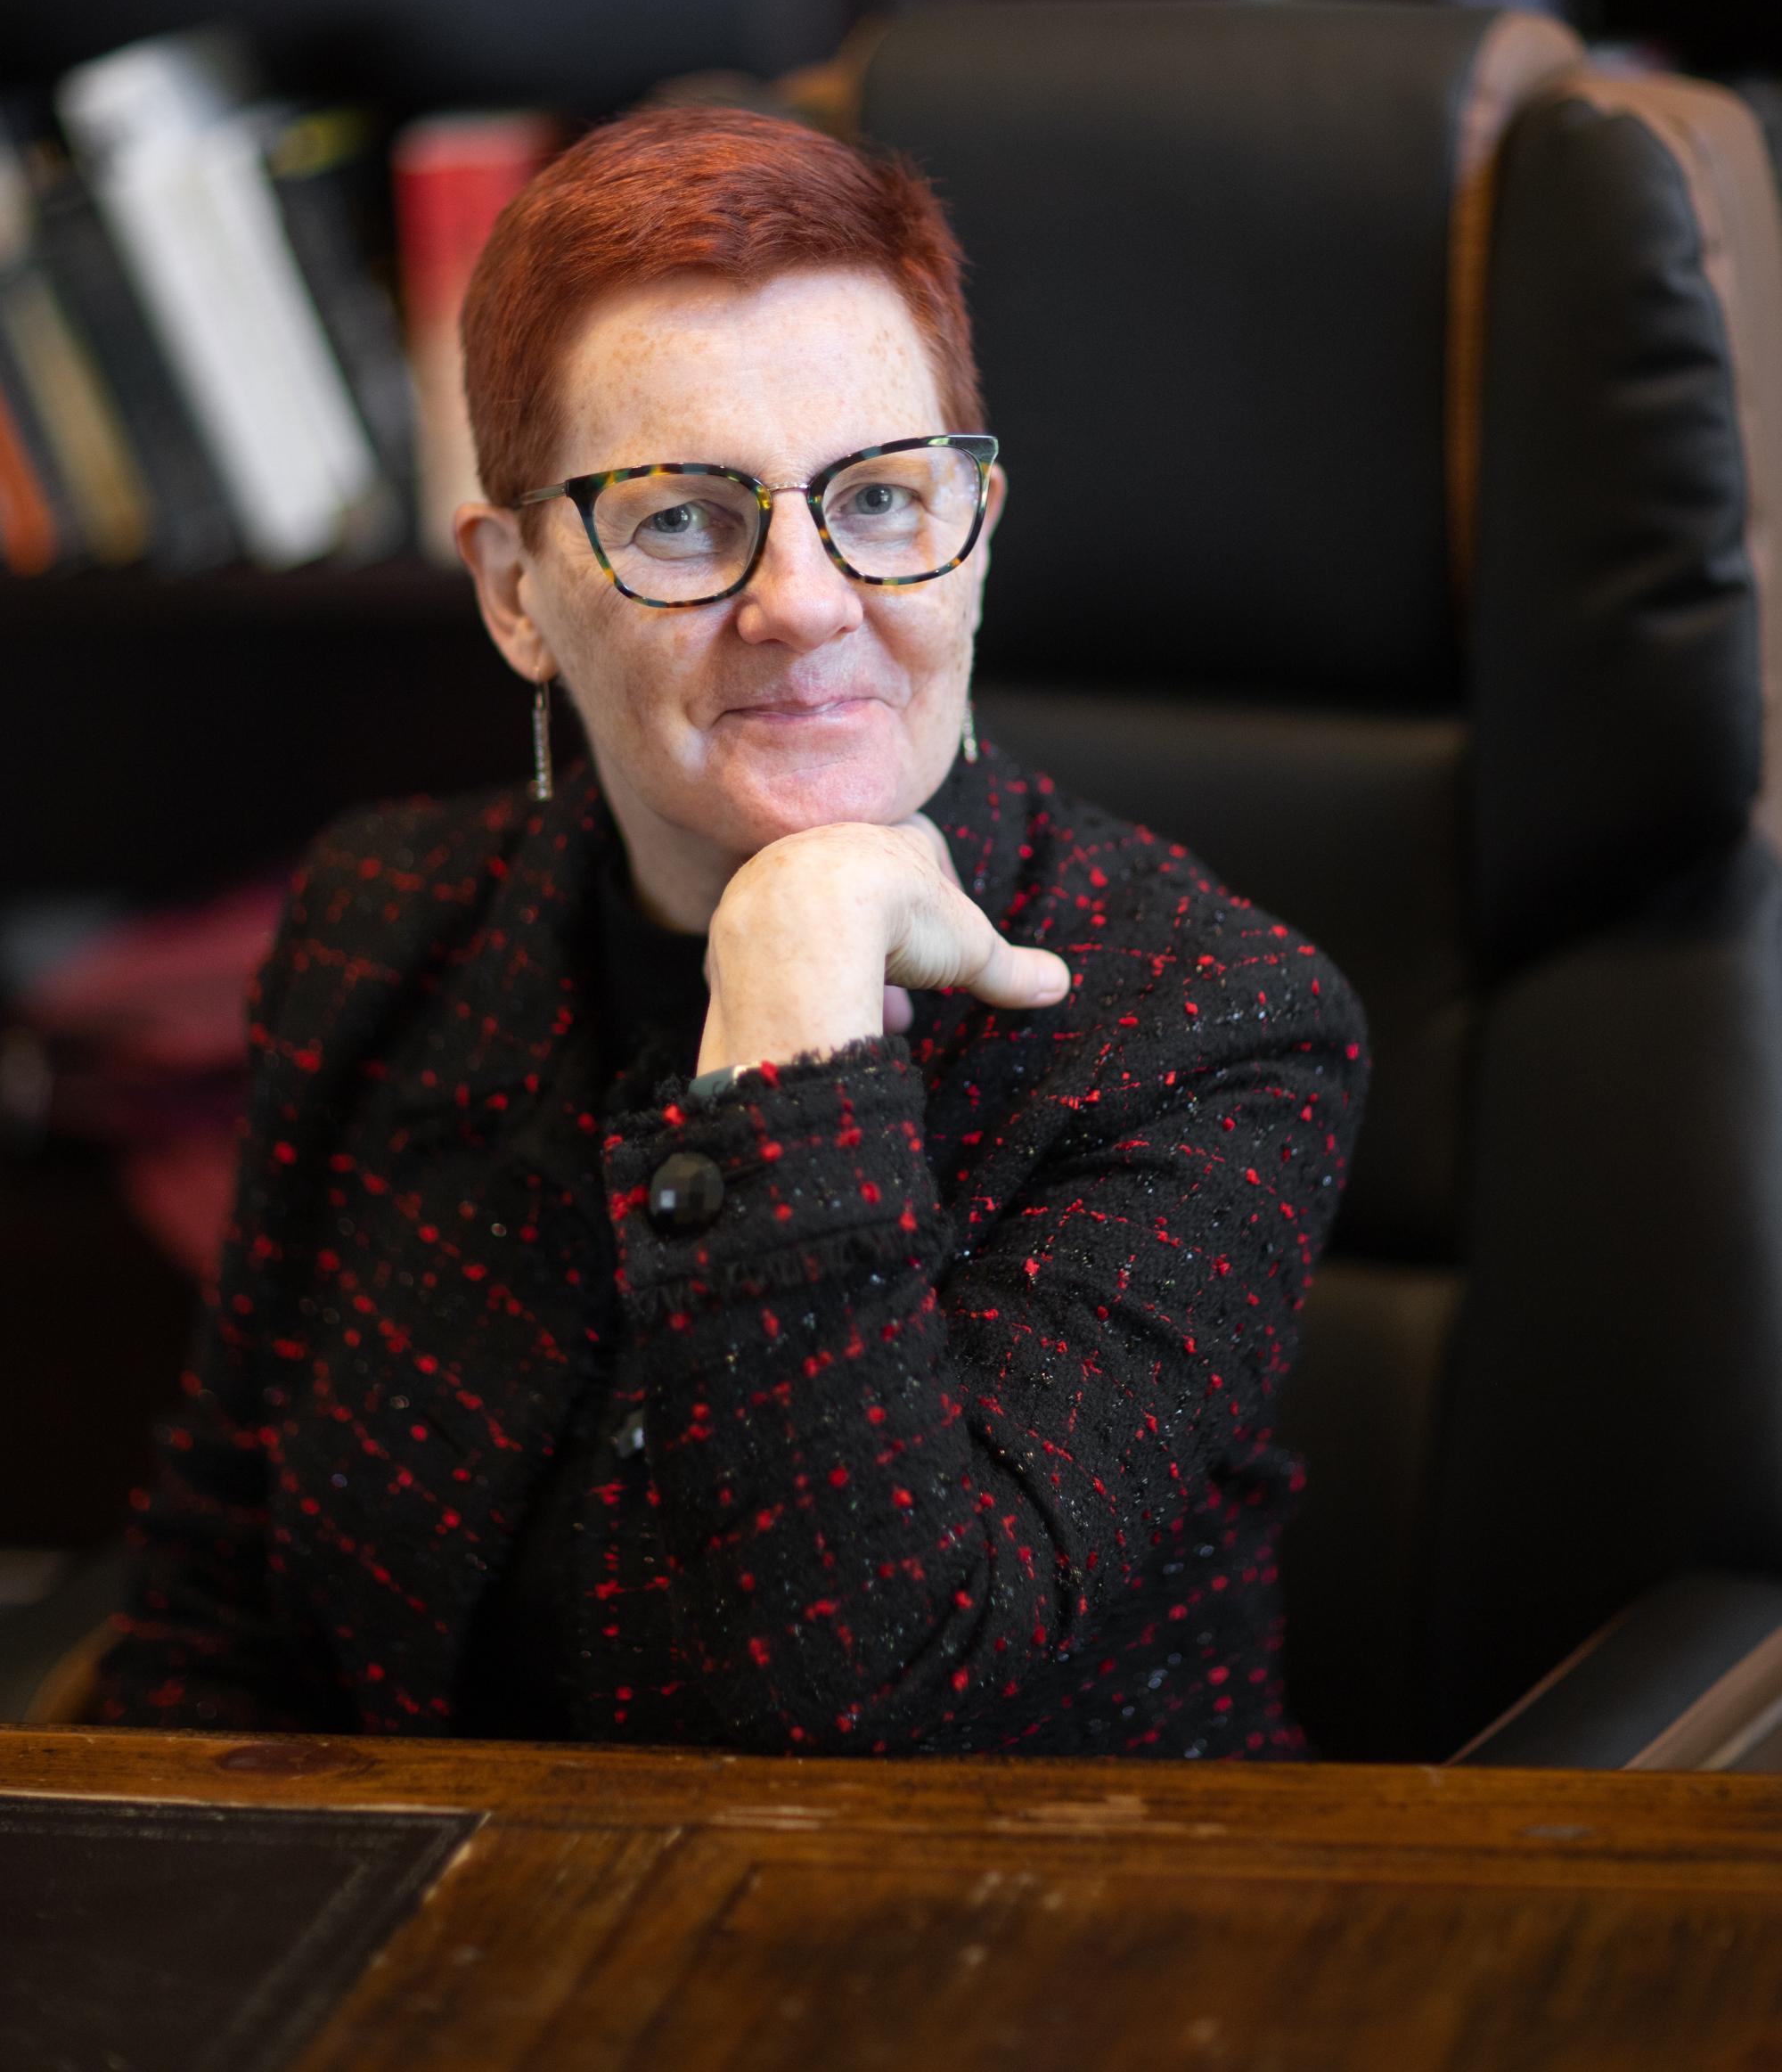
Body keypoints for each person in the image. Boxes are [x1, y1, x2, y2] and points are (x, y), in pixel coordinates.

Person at [100, 105, 1367, 1755]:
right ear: (512, 594)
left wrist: (789, 1000)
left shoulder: (1203, 1025)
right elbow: (217, 1598)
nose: (808, 601)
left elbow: (864, 1706)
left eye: (886, 499)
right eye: (685, 518)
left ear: (975, 535)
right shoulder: (384, 926)